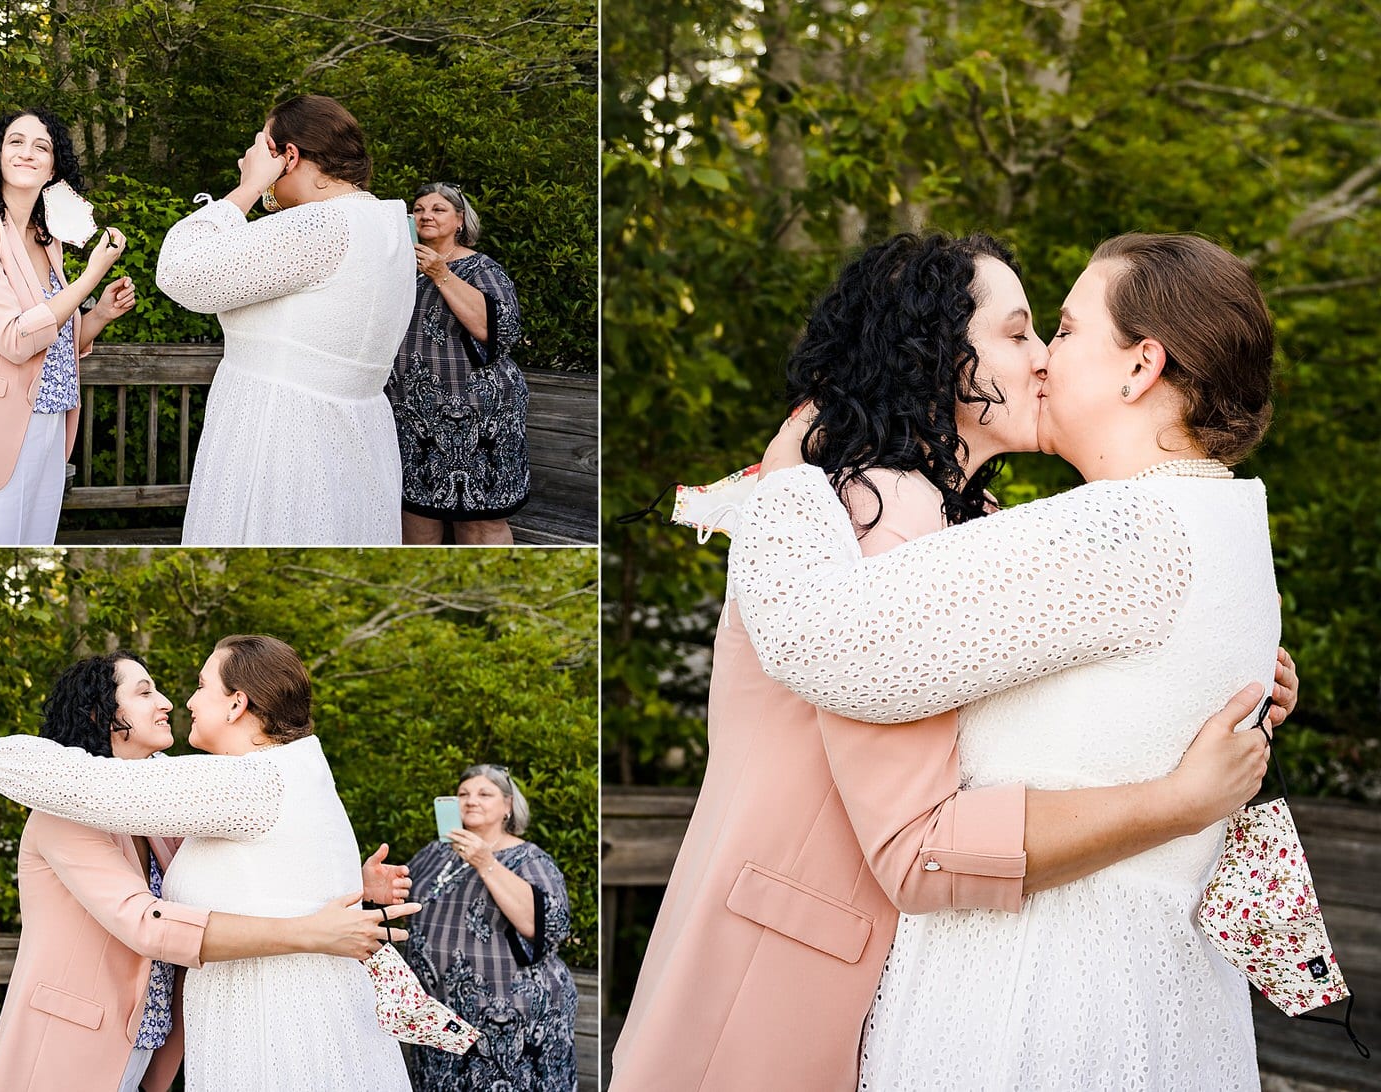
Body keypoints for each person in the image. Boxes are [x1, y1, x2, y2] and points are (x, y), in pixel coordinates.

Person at [611, 233, 1296, 1090]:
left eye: (1059, 331)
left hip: (933, 975)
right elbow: (914, 835)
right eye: (1019, 334)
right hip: (781, 969)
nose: (1044, 358)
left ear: (1143, 366)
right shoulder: (872, 510)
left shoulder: (996, 524)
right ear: (935, 354)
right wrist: (784, 480)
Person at [0, 635, 415, 1091]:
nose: (173, 702)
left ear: (237, 703)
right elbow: (150, 915)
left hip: (161, 1040)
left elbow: (238, 863)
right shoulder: (74, 812)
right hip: (75, 1041)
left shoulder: (217, 788)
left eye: (199, 687)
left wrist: (343, 883)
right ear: (102, 713)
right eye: (146, 692)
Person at [155, 94, 414, 545]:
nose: (247, 159)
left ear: (288, 156)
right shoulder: (388, 224)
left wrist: (249, 187)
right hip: (356, 438)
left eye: (260, 149)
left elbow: (180, 271)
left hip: (282, 439)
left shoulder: (321, 226)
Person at [0, 107, 135, 545]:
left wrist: (98, 315)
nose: (27, 153)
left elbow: (55, 342)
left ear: (54, 167)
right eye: (16, 141)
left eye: (42, 146)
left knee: (36, 548)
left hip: (50, 425)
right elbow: (16, 339)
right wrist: (91, 276)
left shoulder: (45, 237)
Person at [399, 765, 577, 1091]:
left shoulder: (529, 859)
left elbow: (547, 927)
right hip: (439, 1014)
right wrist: (378, 888)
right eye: (463, 793)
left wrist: (485, 862)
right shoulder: (434, 853)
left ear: (508, 806)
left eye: (484, 793)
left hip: (507, 1021)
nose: (471, 801)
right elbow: (403, 896)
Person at [385, 184, 529, 545]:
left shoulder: (481, 268)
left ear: (460, 221)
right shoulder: (400, 269)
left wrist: (441, 273)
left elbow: (498, 331)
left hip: (478, 417)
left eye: (438, 209)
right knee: (415, 512)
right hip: (412, 415)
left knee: (479, 521)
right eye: (418, 209)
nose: (426, 215)